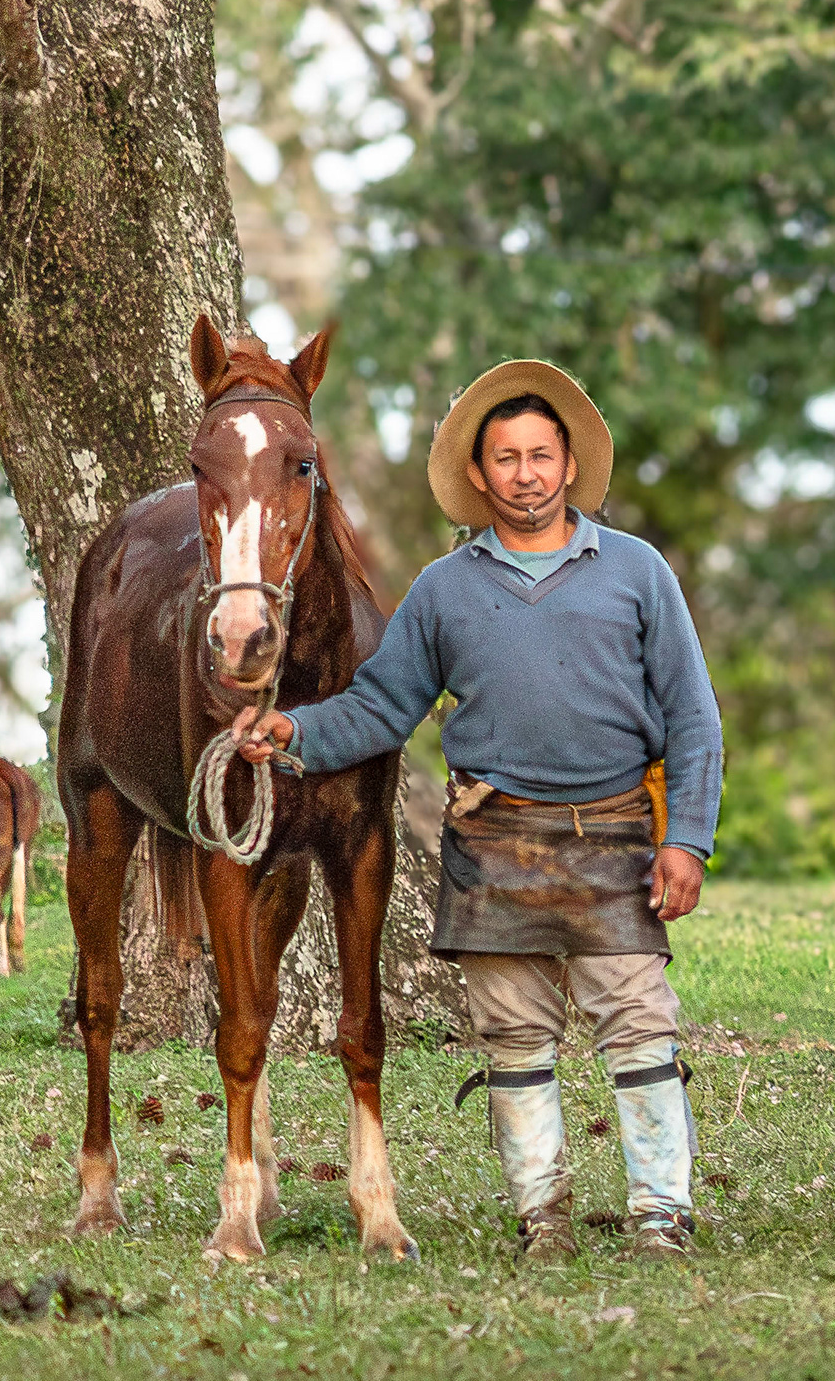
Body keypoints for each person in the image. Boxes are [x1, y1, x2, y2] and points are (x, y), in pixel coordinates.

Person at [238, 362, 723, 1262]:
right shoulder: (443, 591)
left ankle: (663, 1213)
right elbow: (380, 708)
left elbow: (694, 715)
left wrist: (686, 839)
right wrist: (290, 732)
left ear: (570, 464)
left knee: (641, 1021)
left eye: (542, 455)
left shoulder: (637, 572)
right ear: (481, 475)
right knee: (513, 1034)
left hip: (616, 834)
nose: (527, 473)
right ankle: (543, 1217)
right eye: (507, 459)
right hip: (493, 841)